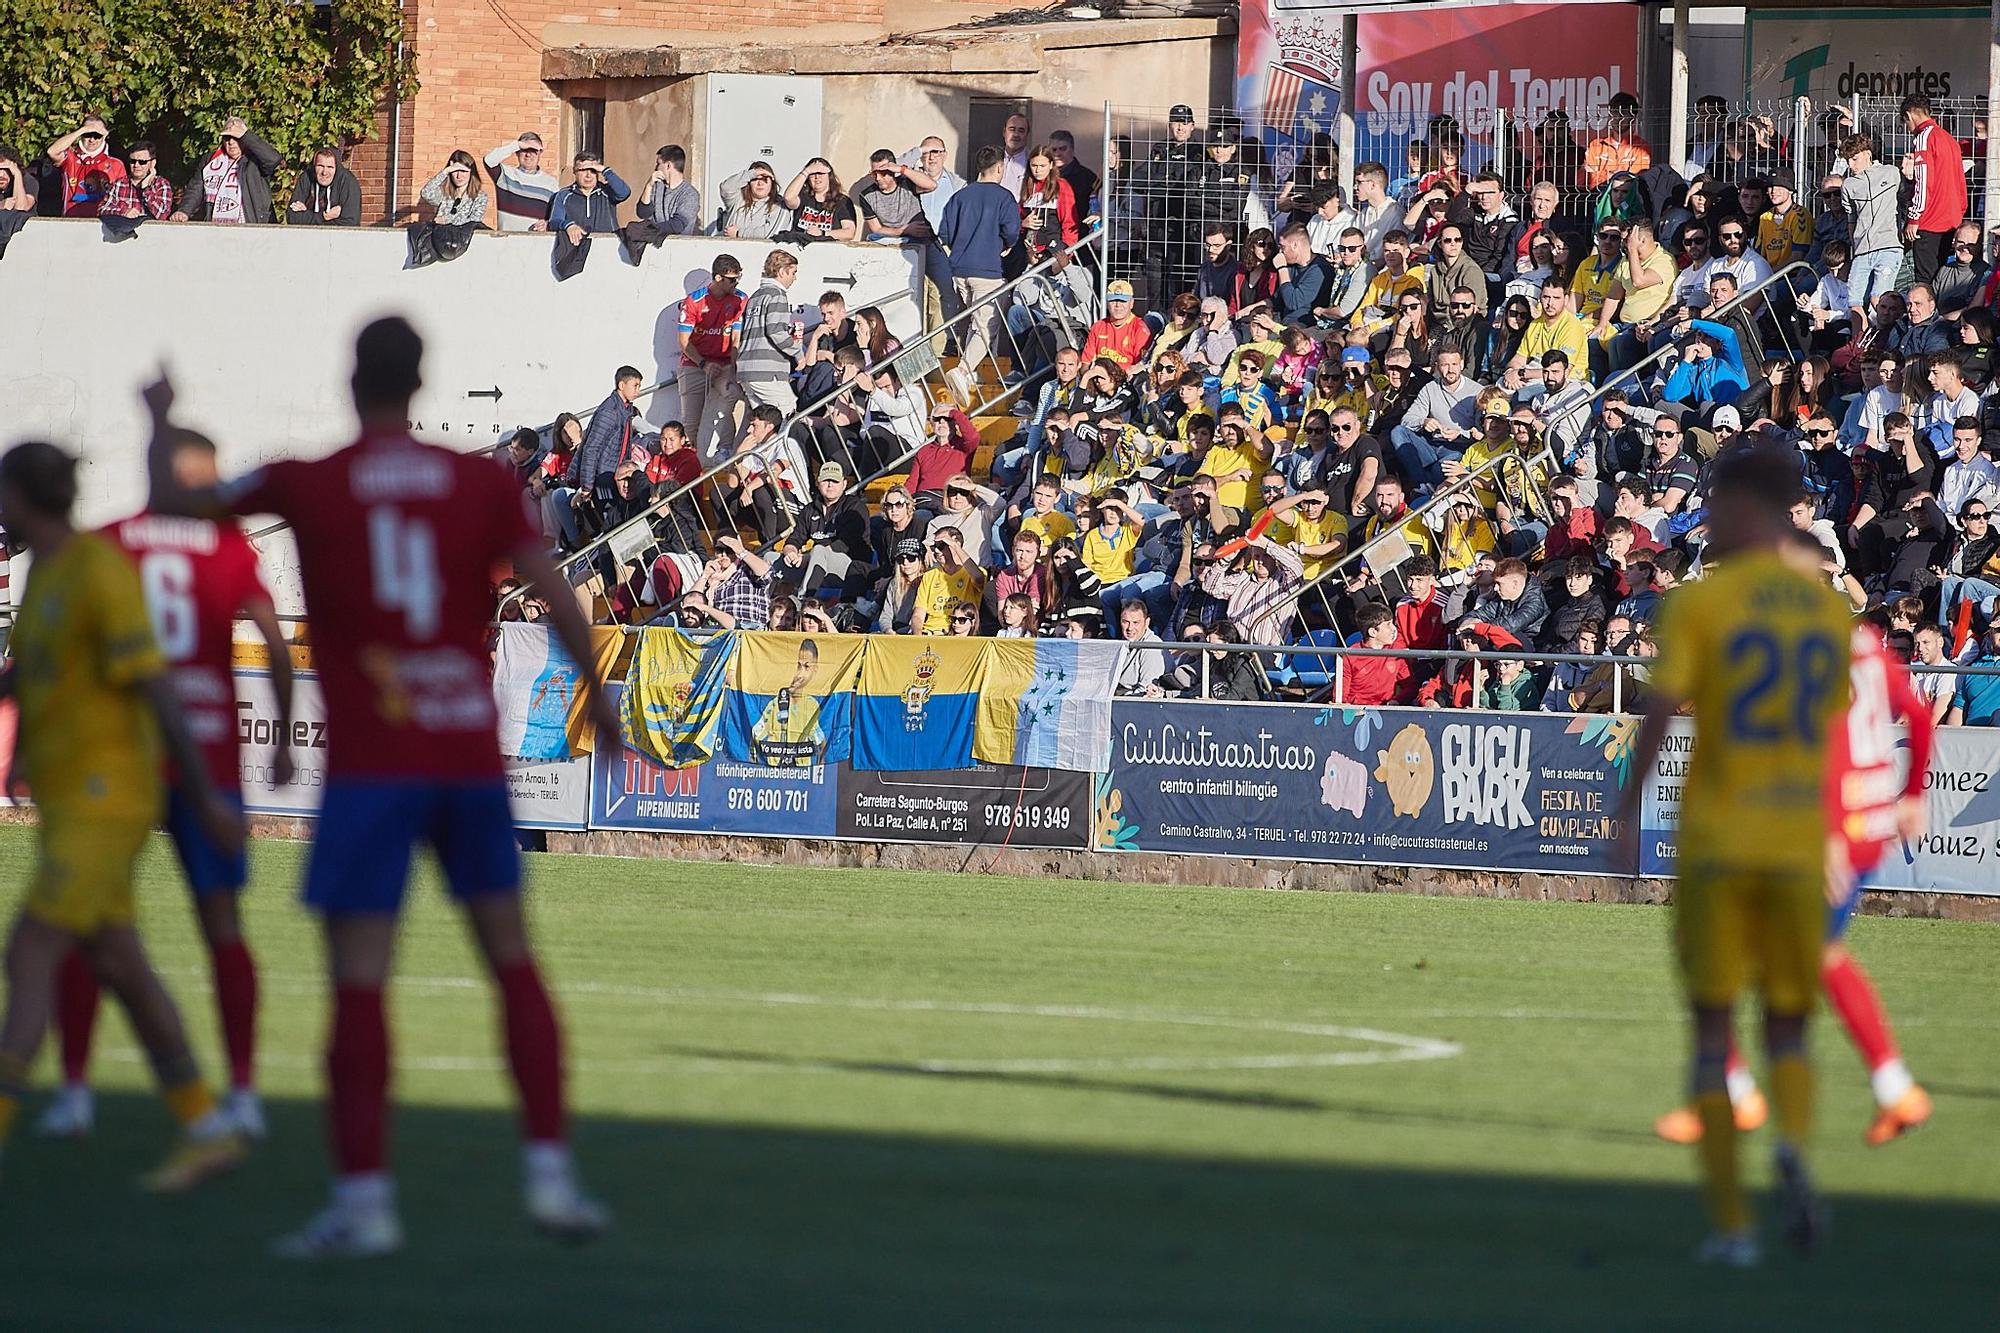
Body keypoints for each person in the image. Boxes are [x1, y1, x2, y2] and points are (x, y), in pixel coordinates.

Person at [144, 318, 618, 1256]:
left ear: (351, 381)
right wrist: (596, 699)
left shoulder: (305, 479)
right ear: (421, 381)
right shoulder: (480, 480)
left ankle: (364, 1204)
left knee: (359, 983)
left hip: (371, 766)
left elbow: (182, 506)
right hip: (466, 760)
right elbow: (552, 585)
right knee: (512, 962)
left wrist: (160, 420)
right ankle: (553, 1180)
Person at [1617, 443, 1853, 1267]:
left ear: (1747, 505)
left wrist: (1624, 815)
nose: (1708, 512)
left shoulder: (1702, 607)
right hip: (1796, 843)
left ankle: (1733, 1227)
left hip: (1719, 840)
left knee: (1713, 1031)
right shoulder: (1827, 613)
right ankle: (1790, 1141)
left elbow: (1654, 719)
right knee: (1787, 1025)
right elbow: (1833, 734)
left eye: (1718, 498)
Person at [0, 440, 248, 1190]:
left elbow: (158, 687)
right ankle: (205, 1124)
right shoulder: (44, 571)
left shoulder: (98, 570)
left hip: (111, 795)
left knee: (32, 947)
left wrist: (203, 791)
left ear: (24, 497)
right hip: (74, 792)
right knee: (120, 962)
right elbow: (40, 669)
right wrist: (21, 747)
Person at [37, 427, 296, 1140]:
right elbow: (275, 646)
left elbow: (71, 642)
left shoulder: (113, 539)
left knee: (90, 921)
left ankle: (75, 1091)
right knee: (222, 926)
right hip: (208, 756)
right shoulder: (229, 548)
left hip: (121, 754)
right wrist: (282, 736)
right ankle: (241, 1090)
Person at [1655, 616, 1936, 1151]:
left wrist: (1826, 831)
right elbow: (1917, 717)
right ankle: (1894, 1089)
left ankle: (1733, 1098)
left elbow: (1819, 743)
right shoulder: (1865, 646)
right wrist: (1914, 793)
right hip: (1866, 831)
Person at [938, 147, 1023, 406]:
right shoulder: (1003, 196)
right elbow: (1011, 230)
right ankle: (963, 371)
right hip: (987, 269)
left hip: (959, 269)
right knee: (987, 325)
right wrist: (1006, 244)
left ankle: (968, 372)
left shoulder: (959, 196)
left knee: (969, 321)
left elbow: (945, 233)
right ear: (999, 168)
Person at [677, 254, 748, 462]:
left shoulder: (740, 299)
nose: (736, 283)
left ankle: (725, 447)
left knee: (732, 392)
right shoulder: (693, 301)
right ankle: (692, 467)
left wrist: (733, 368)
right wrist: (703, 363)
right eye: (732, 279)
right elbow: (684, 341)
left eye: (738, 278)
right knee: (691, 423)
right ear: (718, 278)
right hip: (694, 364)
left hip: (724, 363)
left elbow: (736, 337)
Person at [1901, 93, 1968, 285]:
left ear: (1909, 115)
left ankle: (1926, 315)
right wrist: (1960, 211)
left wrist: (1914, 218)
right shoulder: (1949, 139)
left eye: (1906, 123)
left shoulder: (1923, 138)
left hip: (1930, 221)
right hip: (1952, 219)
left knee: (1925, 281)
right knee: (1942, 279)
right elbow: (1959, 179)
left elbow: (1923, 181)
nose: (1908, 129)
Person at [1838, 132, 1904, 319]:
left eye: (1854, 159)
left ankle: (1887, 340)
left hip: (1888, 245)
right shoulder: (1848, 185)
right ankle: (1857, 345)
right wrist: (1855, 245)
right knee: (1854, 303)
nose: (1851, 165)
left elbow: (1905, 197)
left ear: (1867, 153)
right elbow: (1851, 218)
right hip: (1862, 251)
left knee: (1879, 299)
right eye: (1848, 160)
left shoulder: (1890, 173)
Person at [172, 117, 281, 224]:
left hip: (250, 226)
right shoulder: (210, 160)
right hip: (215, 228)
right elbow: (196, 189)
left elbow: (274, 159)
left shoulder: (255, 161)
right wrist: (184, 211)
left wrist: (246, 135)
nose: (231, 142)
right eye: (227, 138)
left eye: (237, 138)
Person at [737, 248, 804, 415]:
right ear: (782, 272)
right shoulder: (778, 295)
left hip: (746, 370)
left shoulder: (755, 296)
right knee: (788, 413)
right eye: (793, 272)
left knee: (762, 422)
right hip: (767, 371)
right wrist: (797, 351)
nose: (795, 278)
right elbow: (776, 331)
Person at [43, 114, 125, 218]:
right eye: (88, 135)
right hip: (71, 220)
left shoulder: (116, 164)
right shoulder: (71, 158)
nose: (92, 140)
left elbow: (122, 198)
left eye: (97, 135)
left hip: (104, 223)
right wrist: (81, 130)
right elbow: (52, 151)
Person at [855, 148, 936, 244]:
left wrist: (902, 169)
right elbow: (877, 229)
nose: (878, 178)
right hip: (891, 239)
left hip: (920, 238)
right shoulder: (867, 195)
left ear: (892, 170)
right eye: (874, 173)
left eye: (883, 172)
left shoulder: (907, 183)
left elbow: (932, 185)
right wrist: (903, 230)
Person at [484, 133, 560, 231]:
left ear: (540, 152)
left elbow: (557, 215)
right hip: (506, 241)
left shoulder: (551, 183)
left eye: (533, 150)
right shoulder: (505, 174)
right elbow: (489, 160)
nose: (528, 154)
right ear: (517, 152)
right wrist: (517, 145)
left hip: (537, 242)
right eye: (524, 150)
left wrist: (547, 224)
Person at [781, 158, 858, 242]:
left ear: (829, 176)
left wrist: (822, 233)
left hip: (829, 248)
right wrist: (805, 172)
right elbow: (788, 198)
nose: (817, 177)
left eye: (821, 173)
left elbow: (849, 233)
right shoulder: (803, 197)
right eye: (812, 174)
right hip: (800, 247)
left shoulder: (842, 201)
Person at [100, 140, 175, 222]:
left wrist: (146, 189)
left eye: (142, 162)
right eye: (133, 161)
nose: (136, 165)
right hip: (123, 232)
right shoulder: (119, 184)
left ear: (153, 163)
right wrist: (123, 212)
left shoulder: (161, 184)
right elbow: (102, 209)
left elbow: (162, 215)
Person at [716, 160, 793, 240]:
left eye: (764, 179)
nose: (760, 183)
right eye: (755, 179)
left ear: (772, 183)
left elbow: (772, 233)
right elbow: (725, 188)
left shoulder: (779, 204)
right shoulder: (738, 199)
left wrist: (739, 233)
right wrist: (751, 174)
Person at [287, 147, 362, 226]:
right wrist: (324, 216)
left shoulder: (348, 182)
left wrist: (307, 216)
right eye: (320, 166)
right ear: (314, 165)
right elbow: (292, 217)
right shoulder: (306, 178)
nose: (324, 172)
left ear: (337, 168)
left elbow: (350, 222)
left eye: (330, 167)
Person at [419, 150, 487, 226]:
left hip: (464, 237)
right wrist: (445, 171)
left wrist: (446, 219)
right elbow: (426, 193)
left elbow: (475, 220)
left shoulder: (479, 196)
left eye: (463, 171)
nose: (459, 176)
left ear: (471, 172)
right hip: (441, 236)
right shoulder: (444, 194)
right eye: (455, 171)